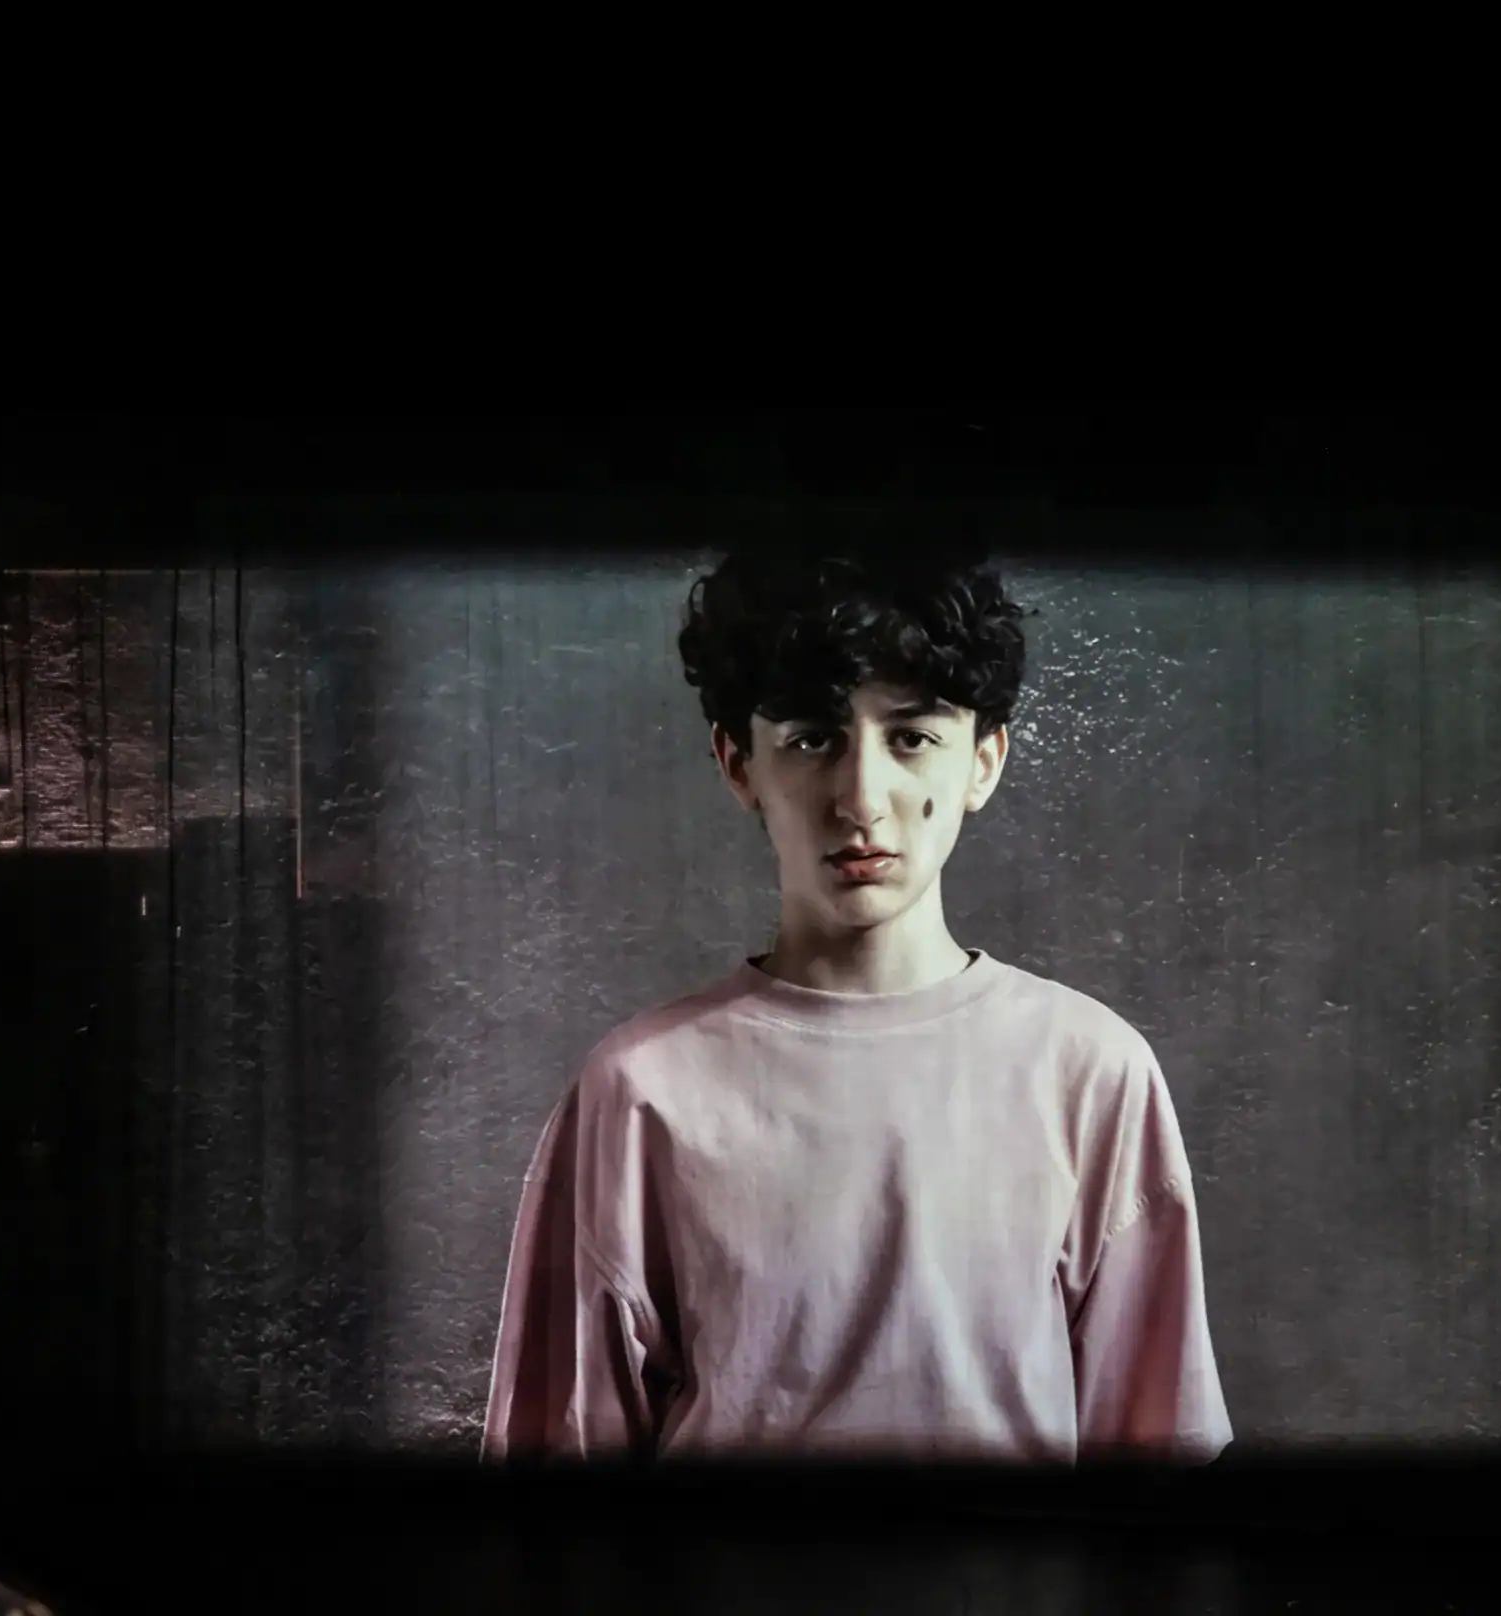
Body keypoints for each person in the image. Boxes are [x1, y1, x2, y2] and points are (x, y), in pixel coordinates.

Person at [481, 542, 1231, 1465]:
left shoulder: (1090, 1073)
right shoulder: (638, 1092)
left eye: (911, 738)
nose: (862, 799)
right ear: (738, 763)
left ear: (983, 761)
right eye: (812, 739)